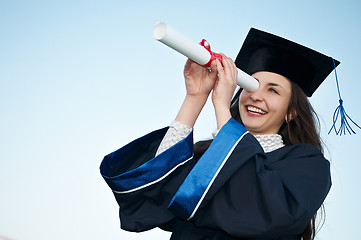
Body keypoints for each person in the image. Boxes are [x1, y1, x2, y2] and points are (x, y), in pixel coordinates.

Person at [100, 28, 339, 240]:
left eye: (273, 90)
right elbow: (151, 190)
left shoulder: (308, 166)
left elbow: (268, 212)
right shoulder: (210, 157)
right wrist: (195, 97)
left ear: (291, 112)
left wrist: (222, 109)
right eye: (251, 85)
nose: (255, 95)